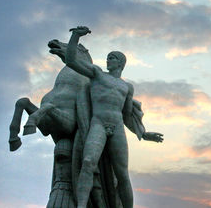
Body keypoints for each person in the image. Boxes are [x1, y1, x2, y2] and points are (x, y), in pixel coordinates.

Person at [65, 26, 163, 208]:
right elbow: (71, 60)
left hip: (117, 127)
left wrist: (143, 133)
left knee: (123, 175)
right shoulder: (97, 74)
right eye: (107, 57)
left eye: (112, 57)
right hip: (98, 124)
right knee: (87, 162)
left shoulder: (127, 87)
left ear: (120, 63)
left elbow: (126, 115)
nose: (107, 60)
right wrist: (75, 37)